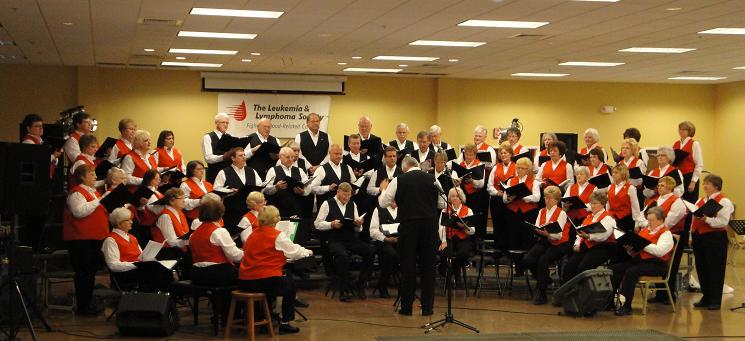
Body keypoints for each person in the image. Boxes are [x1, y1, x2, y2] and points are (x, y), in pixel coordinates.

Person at [379, 156, 441, 316]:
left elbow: (383, 203)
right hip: (429, 227)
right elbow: (442, 203)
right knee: (428, 268)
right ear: (417, 166)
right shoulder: (432, 179)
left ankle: (406, 308)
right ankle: (427, 308)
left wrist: (383, 190)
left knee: (408, 267)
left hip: (409, 226)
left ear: (404, 167)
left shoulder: (399, 180)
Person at [239, 205, 312, 334]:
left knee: (275, 284)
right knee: (290, 287)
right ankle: (285, 322)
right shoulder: (277, 235)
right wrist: (308, 252)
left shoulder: (252, 234)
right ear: (275, 219)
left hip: (245, 280)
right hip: (264, 279)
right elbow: (294, 251)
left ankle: (264, 319)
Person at [610, 207, 674, 316]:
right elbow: (638, 249)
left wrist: (642, 244)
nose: (648, 223)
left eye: (651, 220)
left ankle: (626, 306)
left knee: (631, 272)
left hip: (657, 265)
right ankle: (609, 301)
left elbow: (660, 251)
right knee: (614, 269)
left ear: (661, 220)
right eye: (648, 220)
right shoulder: (645, 230)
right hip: (640, 261)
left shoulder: (666, 234)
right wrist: (630, 249)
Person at [314, 182, 372, 302]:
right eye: (344, 195)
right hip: (334, 240)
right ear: (338, 192)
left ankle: (360, 284)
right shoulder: (327, 203)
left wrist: (359, 225)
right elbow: (317, 224)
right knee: (342, 255)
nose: (346, 198)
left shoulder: (353, 204)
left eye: (348, 195)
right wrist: (331, 224)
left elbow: (357, 226)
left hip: (350, 239)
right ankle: (343, 289)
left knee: (370, 251)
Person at [63, 164, 109, 314]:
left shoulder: (94, 192)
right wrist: (100, 200)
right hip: (81, 240)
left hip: (93, 239)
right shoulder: (76, 193)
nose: (95, 176)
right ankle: (83, 307)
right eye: (92, 174)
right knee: (83, 274)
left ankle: (88, 304)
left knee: (90, 274)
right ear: (82, 177)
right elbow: (79, 212)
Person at [190, 200, 243, 323]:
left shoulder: (194, 234)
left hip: (197, 274)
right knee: (248, 278)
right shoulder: (219, 231)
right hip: (216, 273)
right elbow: (235, 255)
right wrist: (250, 253)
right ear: (220, 213)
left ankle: (220, 312)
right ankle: (234, 316)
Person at [523, 186, 573, 305]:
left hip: (559, 243)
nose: (547, 200)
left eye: (550, 198)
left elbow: (559, 235)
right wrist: (539, 231)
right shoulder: (542, 211)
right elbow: (537, 226)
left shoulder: (561, 213)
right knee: (527, 259)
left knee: (543, 261)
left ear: (556, 200)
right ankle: (545, 280)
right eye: (546, 198)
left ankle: (541, 292)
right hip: (545, 240)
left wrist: (548, 233)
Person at [642, 176, 687, 303]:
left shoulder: (676, 201)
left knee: (670, 265)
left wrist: (652, 226)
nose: (659, 187)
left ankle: (669, 294)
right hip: (654, 233)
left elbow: (670, 221)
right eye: (659, 185)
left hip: (671, 235)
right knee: (655, 261)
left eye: (662, 185)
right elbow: (642, 215)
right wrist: (647, 224)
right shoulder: (654, 200)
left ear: (670, 186)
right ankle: (659, 294)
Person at [691, 174, 733, 310]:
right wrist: (691, 236)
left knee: (715, 269)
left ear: (716, 186)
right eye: (704, 183)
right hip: (699, 237)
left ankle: (715, 299)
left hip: (715, 238)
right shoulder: (701, 200)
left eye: (707, 184)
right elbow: (694, 218)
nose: (704, 186)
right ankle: (706, 296)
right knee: (701, 267)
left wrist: (707, 220)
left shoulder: (724, 201)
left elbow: (723, 221)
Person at [562, 192, 617, 284]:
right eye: (591, 203)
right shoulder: (589, 217)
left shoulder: (608, 218)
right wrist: (577, 244)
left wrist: (589, 236)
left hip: (604, 247)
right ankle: (567, 292)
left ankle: (583, 292)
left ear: (603, 204)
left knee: (584, 267)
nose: (592, 206)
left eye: (595, 203)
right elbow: (580, 232)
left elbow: (604, 236)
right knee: (570, 266)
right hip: (588, 246)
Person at [213, 147, 264, 229]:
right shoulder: (224, 172)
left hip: (250, 211)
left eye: (244, 155)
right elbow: (216, 189)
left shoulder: (252, 171)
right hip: (232, 212)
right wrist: (229, 190)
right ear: (233, 158)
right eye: (240, 155)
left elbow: (260, 186)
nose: (244, 157)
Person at [502, 157, 541, 254]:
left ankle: (526, 261)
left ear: (528, 169)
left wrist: (523, 197)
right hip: (513, 213)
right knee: (513, 237)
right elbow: (504, 199)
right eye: (518, 168)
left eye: (522, 168)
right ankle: (516, 263)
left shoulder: (534, 181)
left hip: (528, 213)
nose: (519, 170)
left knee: (527, 237)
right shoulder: (510, 181)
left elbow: (537, 197)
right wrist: (508, 199)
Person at [437, 187, 475, 283]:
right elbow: (441, 227)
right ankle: (448, 271)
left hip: (463, 239)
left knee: (463, 253)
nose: (454, 198)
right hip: (449, 238)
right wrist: (444, 241)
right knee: (444, 252)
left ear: (461, 198)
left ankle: (454, 270)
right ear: (449, 198)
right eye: (452, 196)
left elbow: (472, 231)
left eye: (457, 196)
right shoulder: (445, 211)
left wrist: (465, 227)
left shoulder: (468, 210)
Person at [263, 147, 311, 218]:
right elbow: (266, 190)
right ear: (280, 157)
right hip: (278, 208)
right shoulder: (273, 170)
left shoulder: (300, 170)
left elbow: (308, 187)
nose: (290, 159)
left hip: (296, 207)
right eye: (287, 157)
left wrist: (302, 192)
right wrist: (276, 187)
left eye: (292, 157)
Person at [101, 207, 142, 290]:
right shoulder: (111, 240)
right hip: (124, 275)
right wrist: (136, 265)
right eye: (128, 220)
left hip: (137, 271)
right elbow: (113, 265)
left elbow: (142, 256)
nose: (132, 222)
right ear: (119, 223)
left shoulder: (132, 237)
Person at [453, 144, 488, 237]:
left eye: (471, 155)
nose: (469, 157)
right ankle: (462, 238)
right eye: (467, 154)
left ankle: (474, 240)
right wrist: (457, 181)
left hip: (475, 196)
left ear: (475, 155)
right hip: (462, 195)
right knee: (463, 216)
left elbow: (481, 184)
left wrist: (472, 181)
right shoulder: (460, 164)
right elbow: (455, 180)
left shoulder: (479, 165)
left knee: (473, 219)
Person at [487, 142, 516, 251]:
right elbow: (489, 186)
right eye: (501, 153)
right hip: (497, 200)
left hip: (510, 201)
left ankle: (508, 251)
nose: (503, 155)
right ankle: (498, 250)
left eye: (505, 153)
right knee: (497, 226)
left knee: (509, 226)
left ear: (510, 154)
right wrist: (497, 192)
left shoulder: (516, 167)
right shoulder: (495, 168)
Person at [310, 144, 358, 209]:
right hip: (327, 208)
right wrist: (328, 188)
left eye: (340, 154)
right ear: (329, 154)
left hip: (345, 207)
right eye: (336, 154)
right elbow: (312, 188)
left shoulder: (347, 168)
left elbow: (354, 184)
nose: (338, 156)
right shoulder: (321, 169)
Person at [369, 201, 400, 298]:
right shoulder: (379, 209)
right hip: (383, 241)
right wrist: (386, 239)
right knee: (390, 254)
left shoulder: (404, 209)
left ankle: (405, 286)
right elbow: (373, 231)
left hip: (400, 241)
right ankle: (382, 285)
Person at [153, 188, 190, 259]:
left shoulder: (180, 213)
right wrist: (189, 241)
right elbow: (171, 242)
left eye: (184, 197)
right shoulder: (165, 216)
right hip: (168, 254)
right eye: (181, 198)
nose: (184, 201)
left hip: (179, 250)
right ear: (171, 201)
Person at [607, 164, 644, 233]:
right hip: (612, 218)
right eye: (613, 172)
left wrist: (637, 223)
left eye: (616, 172)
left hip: (626, 220)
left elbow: (635, 207)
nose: (613, 174)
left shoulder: (630, 188)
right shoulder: (610, 187)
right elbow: (608, 204)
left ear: (623, 174)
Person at [674, 121, 704, 203]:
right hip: (678, 178)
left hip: (690, 177)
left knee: (690, 203)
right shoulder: (676, 144)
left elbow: (699, 164)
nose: (681, 131)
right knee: (679, 202)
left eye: (684, 129)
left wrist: (693, 181)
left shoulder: (694, 143)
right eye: (680, 129)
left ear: (690, 131)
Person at [202, 113, 231, 183]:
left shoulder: (230, 137)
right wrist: (223, 157)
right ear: (216, 123)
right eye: (223, 122)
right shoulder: (208, 137)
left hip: (228, 174)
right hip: (214, 174)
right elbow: (208, 158)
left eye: (227, 123)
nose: (225, 125)